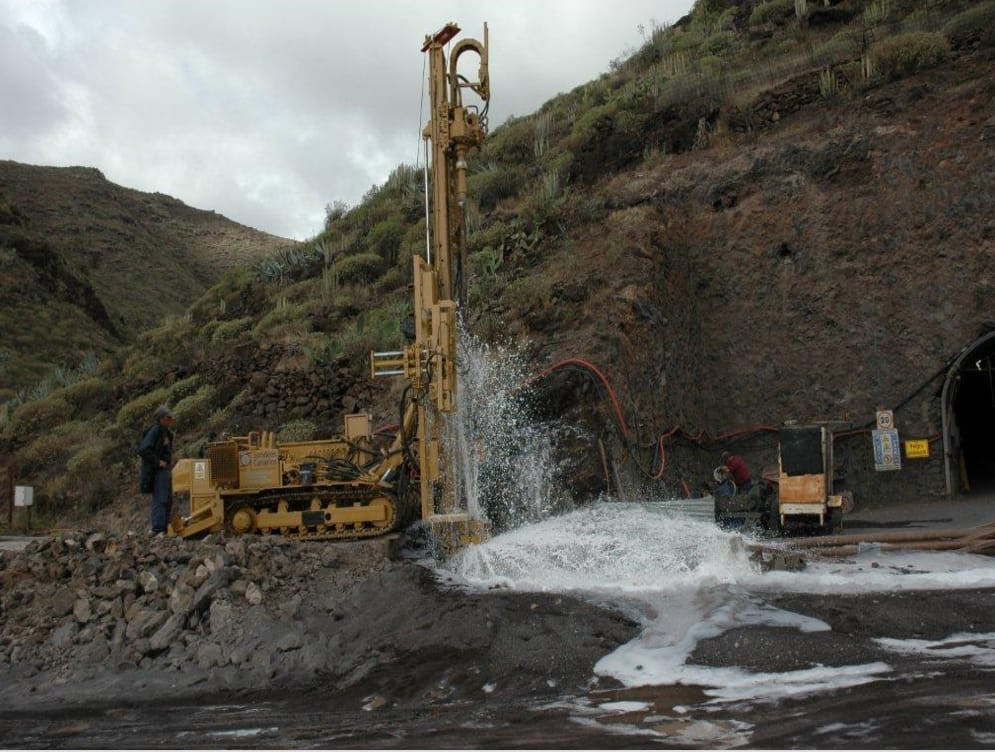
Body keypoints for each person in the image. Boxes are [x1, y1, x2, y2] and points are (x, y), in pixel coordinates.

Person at [139, 405, 175, 535]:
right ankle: (158, 528)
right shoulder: (154, 431)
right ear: (161, 418)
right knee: (160, 498)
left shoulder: (167, 433)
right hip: (158, 470)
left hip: (165, 470)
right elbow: (143, 450)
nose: (170, 420)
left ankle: (164, 528)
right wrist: (157, 461)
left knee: (167, 498)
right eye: (167, 417)